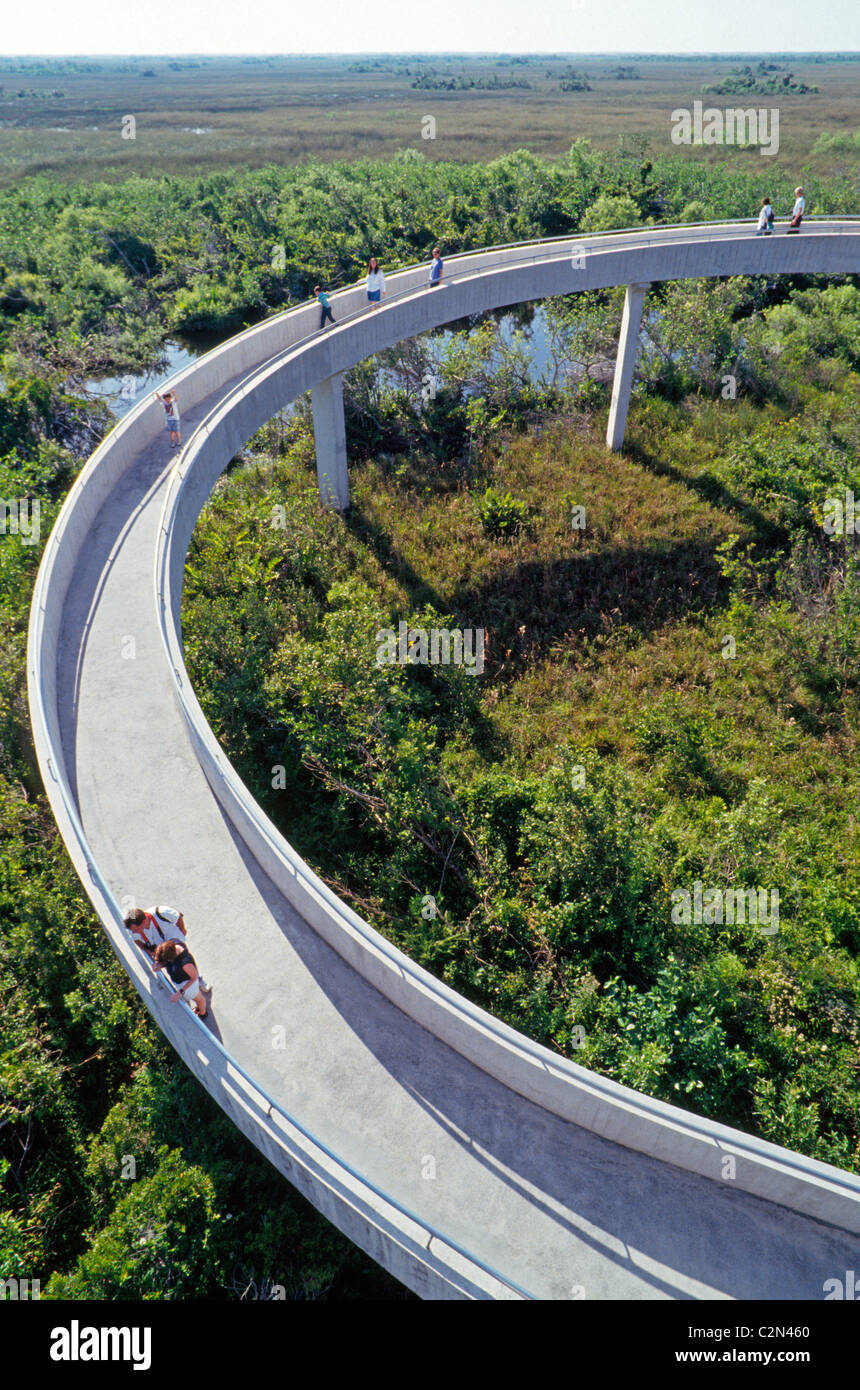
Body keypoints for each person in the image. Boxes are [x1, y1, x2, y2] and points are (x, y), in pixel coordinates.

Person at [123, 905, 210, 991]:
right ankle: (185, 986)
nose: (134, 932)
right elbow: (136, 940)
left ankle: (198, 979)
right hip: (162, 949)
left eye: (136, 929)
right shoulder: (134, 930)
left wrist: (182, 930)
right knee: (172, 969)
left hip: (174, 941)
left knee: (185, 961)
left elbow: (178, 917)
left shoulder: (161, 912)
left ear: (144, 921)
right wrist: (148, 950)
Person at [153, 940, 208, 1017]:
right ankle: (199, 1008)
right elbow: (168, 962)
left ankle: (203, 1013)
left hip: (188, 985)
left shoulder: (185, 963)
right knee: (195, 998)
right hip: (181, 981)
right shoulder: (173, 947)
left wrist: (180, 992)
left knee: (198, 998)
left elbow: (194, 977)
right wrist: (160, 965)